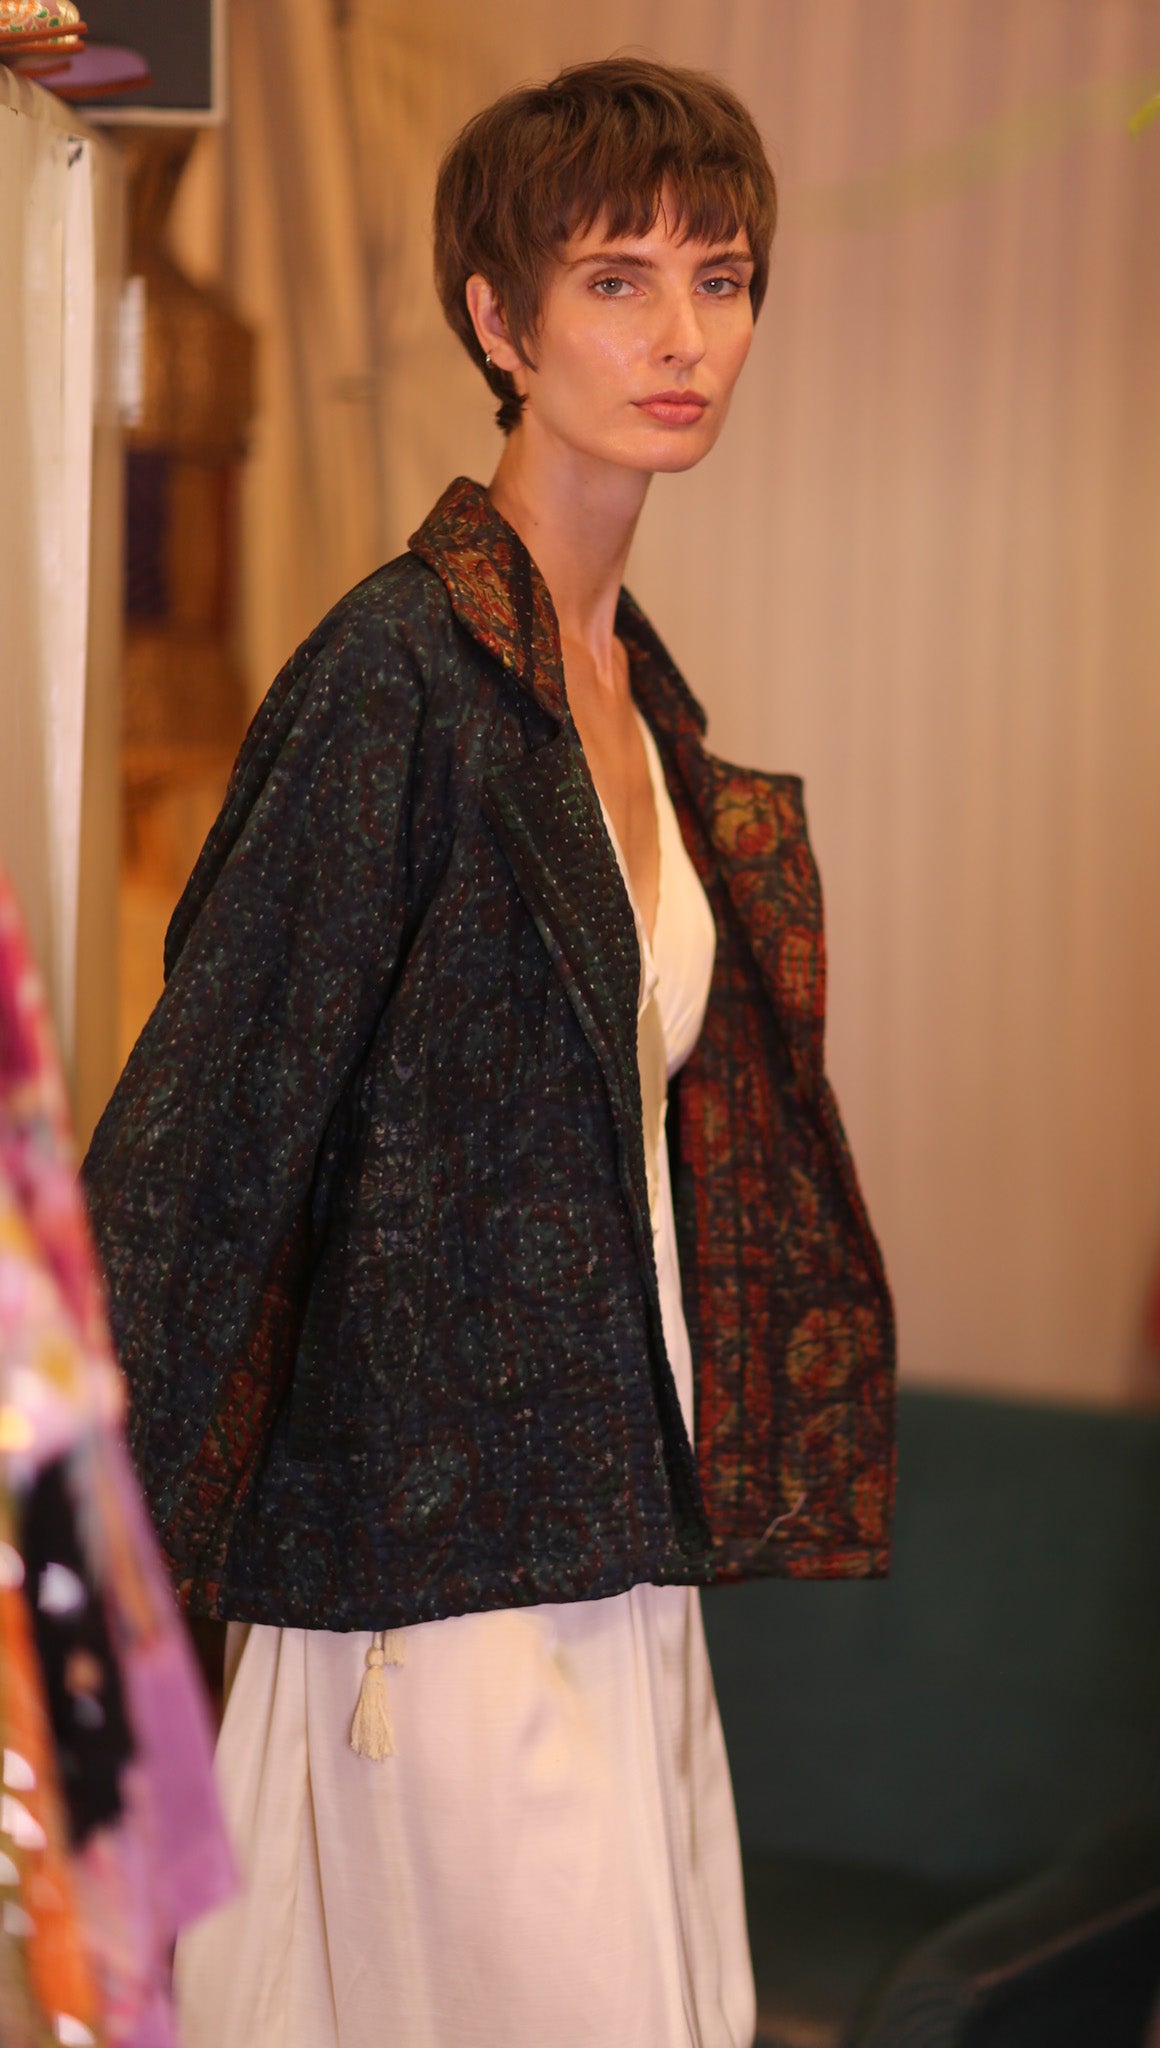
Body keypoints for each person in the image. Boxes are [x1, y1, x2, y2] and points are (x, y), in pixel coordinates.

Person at [84, 54, 896, 2048]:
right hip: (422, 1581)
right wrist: (64, 1587)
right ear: (497, 322)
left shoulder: (635, 692)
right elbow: (200, 1141)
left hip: (616, 1540)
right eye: (616, 279)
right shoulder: (396, 674)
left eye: (720, 277)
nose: (682, 333)